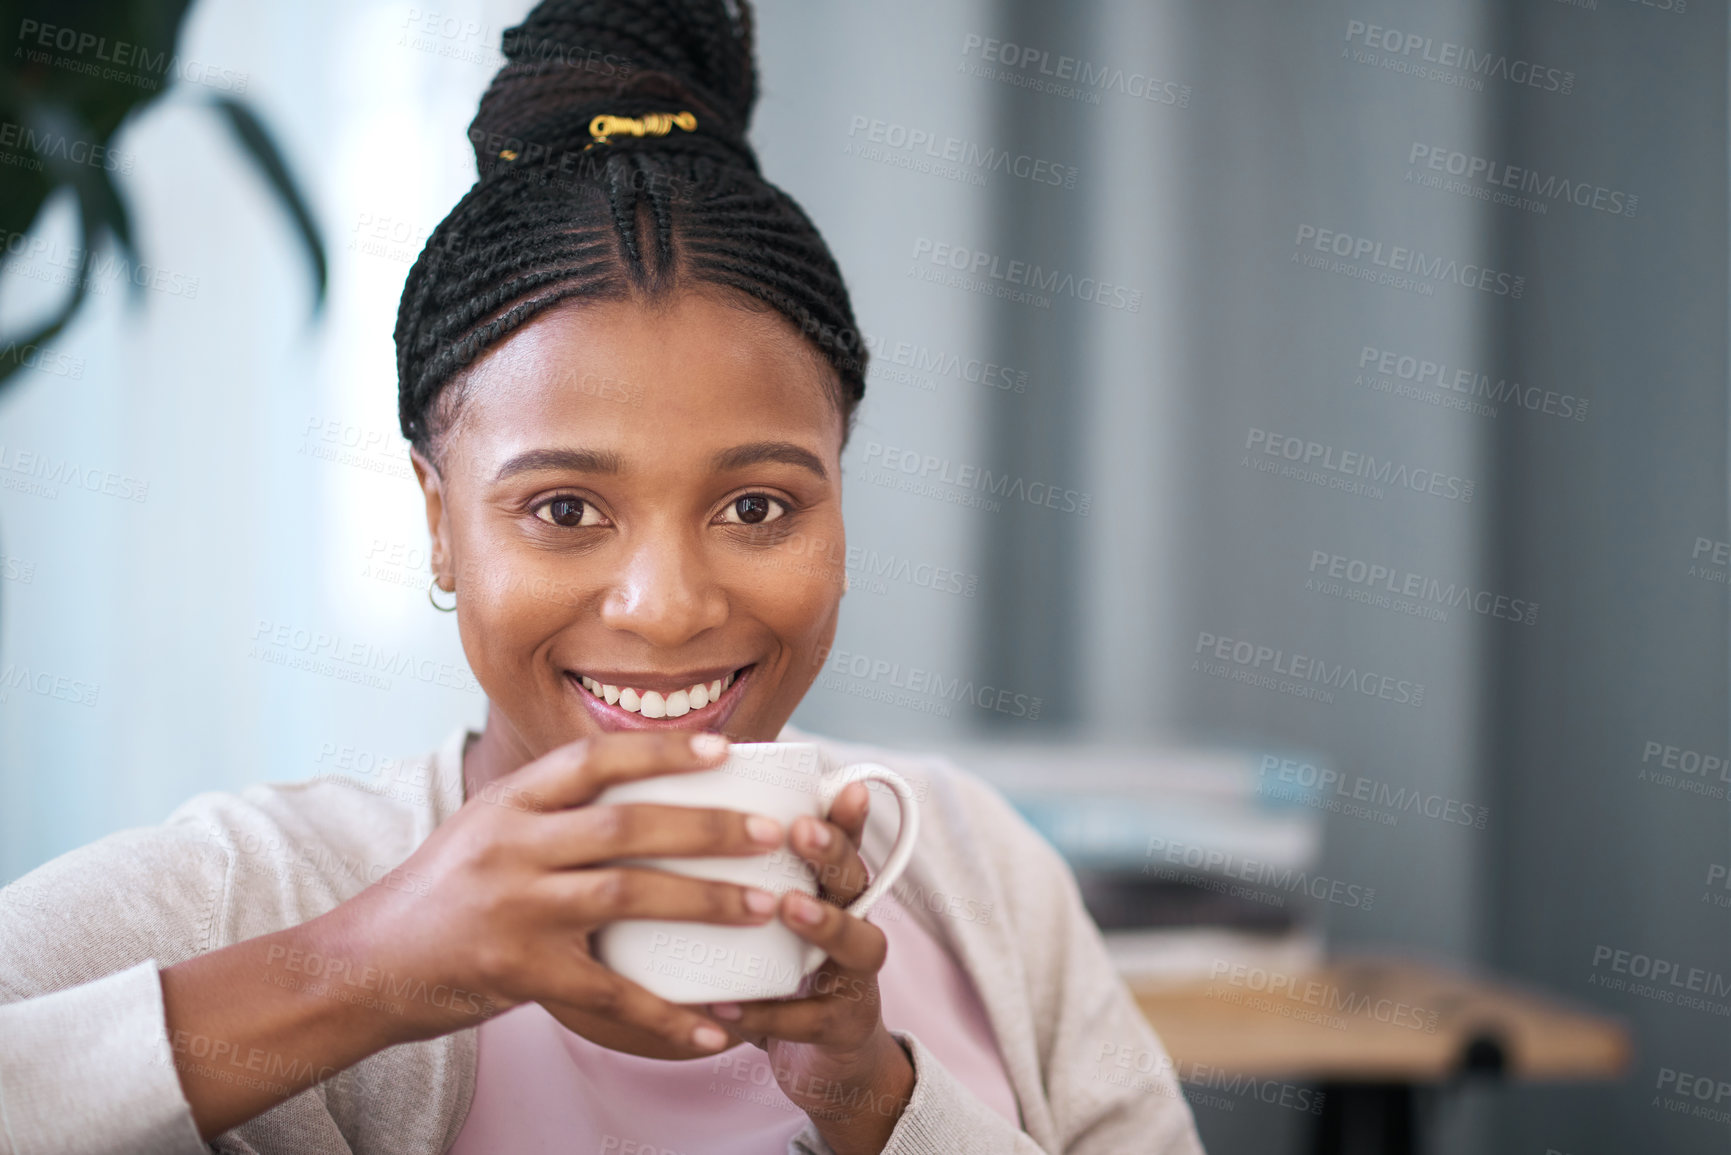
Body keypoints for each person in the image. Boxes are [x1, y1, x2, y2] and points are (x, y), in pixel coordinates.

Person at [0, 2, 1203, 1152]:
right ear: (437, 522)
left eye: (757, 506)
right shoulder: (253, 892)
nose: (670, 607)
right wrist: (367, 968)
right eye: (566, 509)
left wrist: (873, 1101)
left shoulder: (969, 867)